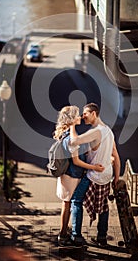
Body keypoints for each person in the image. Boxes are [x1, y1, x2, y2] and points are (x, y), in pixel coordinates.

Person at [70, 102, 121, 247]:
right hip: (107, 175)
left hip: (94, 174)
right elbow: (116, 157)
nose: (83, 116)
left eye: (85, 113)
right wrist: (116, 178)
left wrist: (72, 124)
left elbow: (74, 140)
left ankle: (76, 236)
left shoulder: (96, 131)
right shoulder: (109, 131)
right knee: (103, 207)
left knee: (76, 200)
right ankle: (102, 237)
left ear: (94, 114)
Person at [53, 105, 104, 246]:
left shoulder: (65, 133)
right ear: (71, 119)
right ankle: (63, 235)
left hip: (66, 175)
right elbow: (76, 161)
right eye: (77, 115)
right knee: (67, 205)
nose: (80, 117)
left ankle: (64, 233)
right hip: (72, 176)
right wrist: (94, 167)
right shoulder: (70, 138)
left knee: (66, 204)